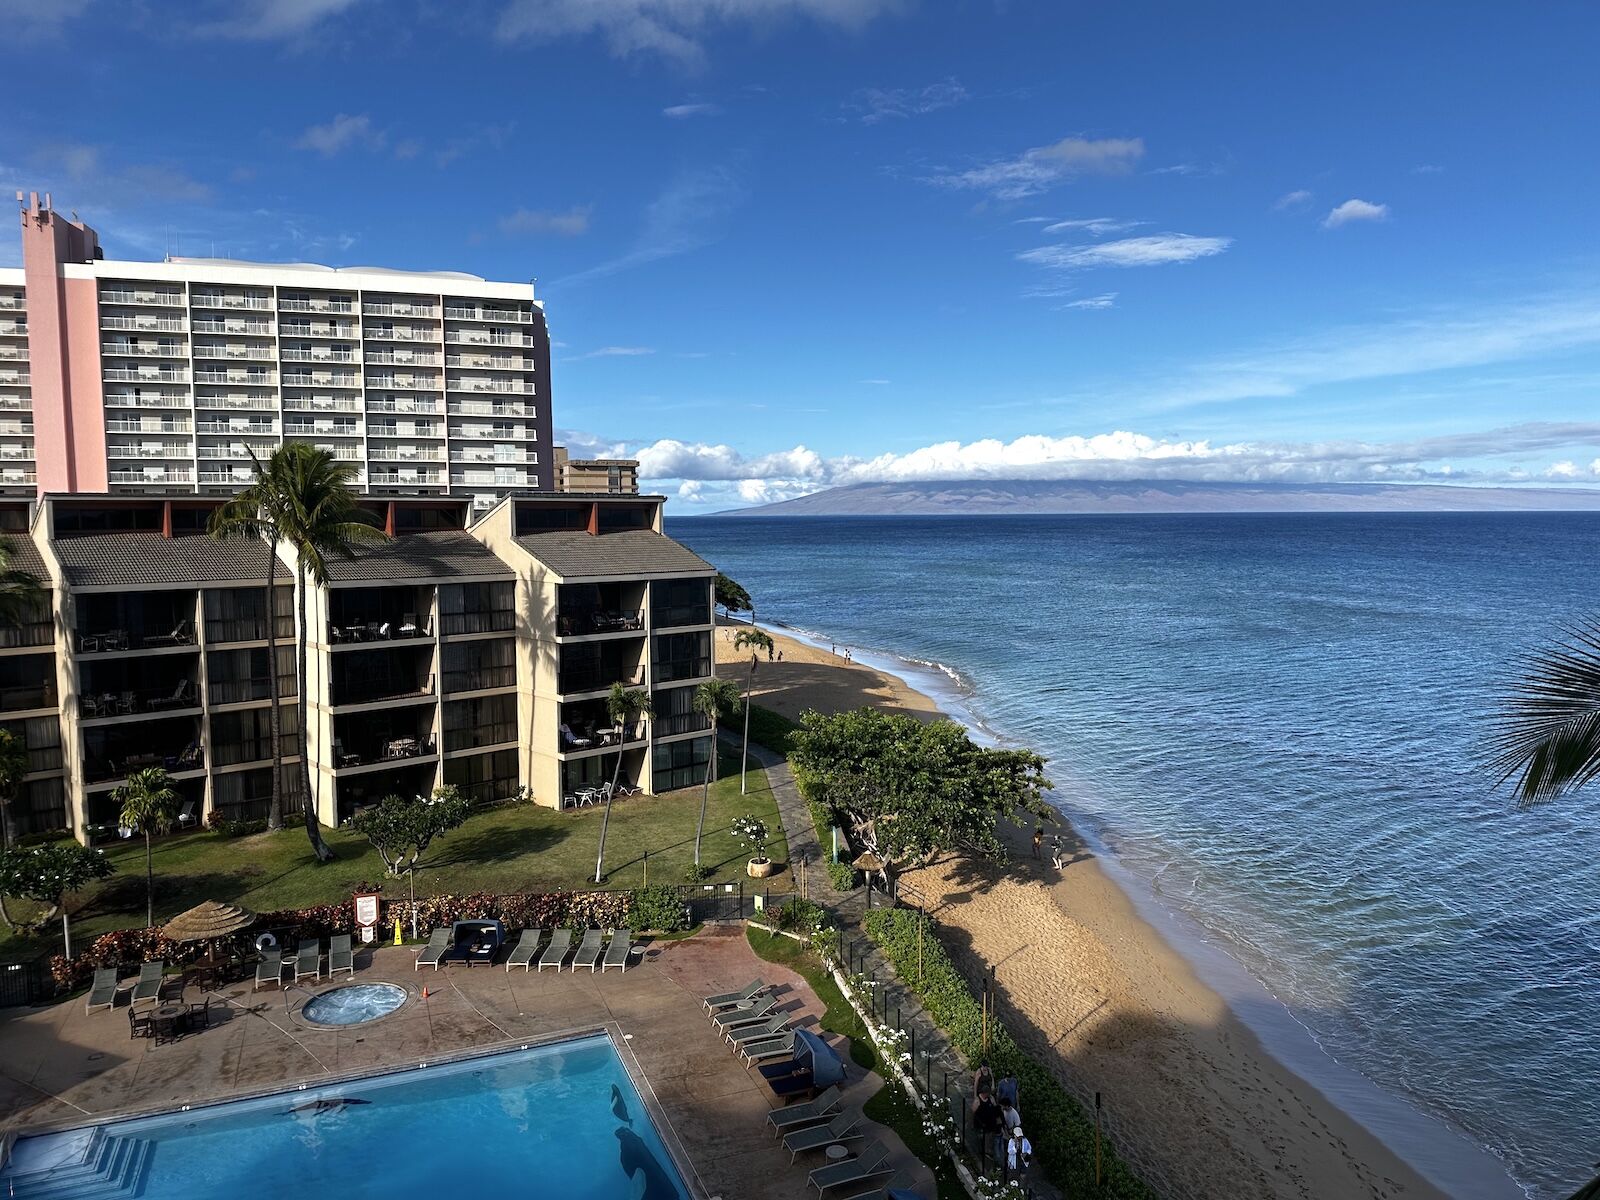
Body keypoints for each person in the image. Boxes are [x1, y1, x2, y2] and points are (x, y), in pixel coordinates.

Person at [972, 1089, 1004, 1165]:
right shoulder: (978, 1100)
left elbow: (995, 1107)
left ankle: (986, 1151)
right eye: (988, 1093)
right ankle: (980, 1151)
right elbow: (973, 1111)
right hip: (980, 1124)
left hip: (989, 1124)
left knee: (987, 1138)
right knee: (980, 1138)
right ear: (984, 1092)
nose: (989, 1094)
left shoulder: (991, 1098)